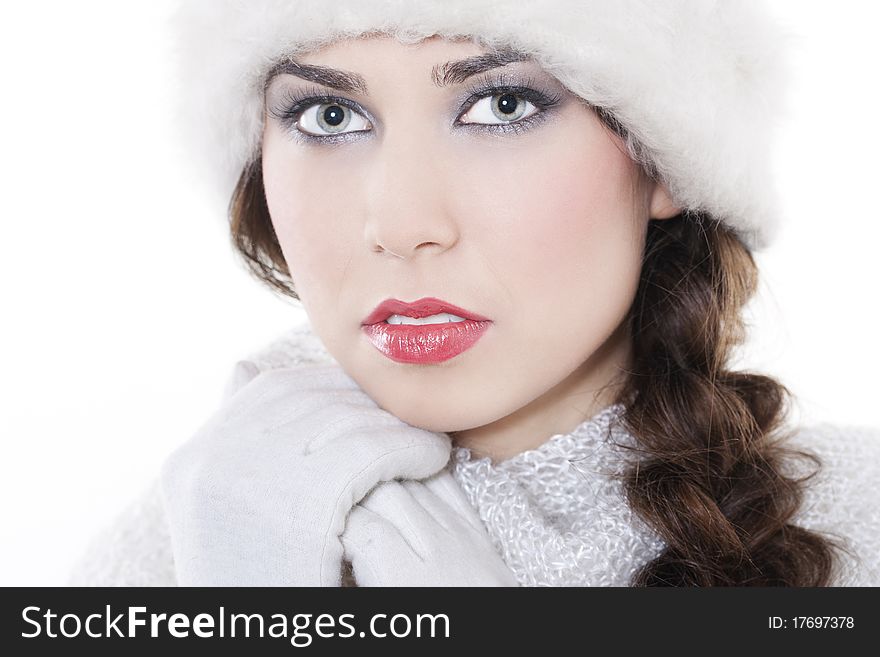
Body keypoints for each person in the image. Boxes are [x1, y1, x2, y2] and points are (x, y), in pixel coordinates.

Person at [69, 0, 880, 587]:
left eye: (502, 104)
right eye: (328, 114)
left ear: (664, 155)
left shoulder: (858, 527)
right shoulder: (197, 530)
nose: (401, 223)